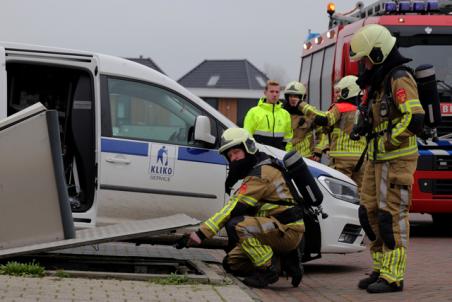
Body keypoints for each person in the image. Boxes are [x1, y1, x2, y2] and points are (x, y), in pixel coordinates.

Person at [349, 24, 425, 293]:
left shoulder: (399, 77)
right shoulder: (379, 82)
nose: (364, 65)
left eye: (367, 59)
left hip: (397, 159)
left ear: (379, 54)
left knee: (391, 216)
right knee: (368, 212)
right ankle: (380, 269)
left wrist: (386, 140)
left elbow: (413, 118)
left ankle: (394, 276)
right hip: (377, 157)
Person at [181, 128, 304, 288]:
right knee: (231, 264)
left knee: (238, 225)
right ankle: (285, 260)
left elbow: (234, 208)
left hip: (287, 230)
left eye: (236, 152)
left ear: (249, 148)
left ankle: (267, 269)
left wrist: (200, 234)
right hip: (274, 227)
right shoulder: (258, 166)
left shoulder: (260, 174)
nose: (234, 159)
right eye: (230, 156)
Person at [295, 76, 366, 188]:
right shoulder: (364, 109)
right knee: (360, 192)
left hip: (342, 160)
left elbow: (324, 119)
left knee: (341, 190)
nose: (336, 95)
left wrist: (302, 105)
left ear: (348, 91)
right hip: (362, 159)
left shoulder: (340, 107)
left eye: (339, 92)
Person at [283, 81, 328, 162]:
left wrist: (318, 152)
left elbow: (322, 133)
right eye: (291, 96)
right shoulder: (281, 113)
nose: (293, 99)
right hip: (285, 156)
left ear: (302, 97)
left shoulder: (309, 112)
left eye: (296, 96)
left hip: (306, 158)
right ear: (287, 97)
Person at [244, 80, 293, 151]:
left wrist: (285, 155)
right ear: (265, 93)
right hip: (259, 157)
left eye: (277, 92)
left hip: (279, 157)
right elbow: (247, 136)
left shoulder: (285, 114)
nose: (274, 94)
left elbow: (288, 139)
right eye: (272, 91)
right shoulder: (253, 112)